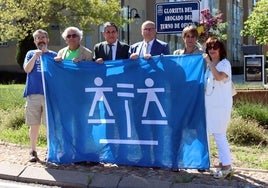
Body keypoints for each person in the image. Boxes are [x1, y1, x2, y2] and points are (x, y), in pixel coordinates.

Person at [23, 29, 57, 162]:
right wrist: (35, 57)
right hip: (33, 94)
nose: (41, 40)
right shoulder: (30, 53)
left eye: (43, 37)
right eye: (38, 38)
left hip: (49, 95)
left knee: (49, 125)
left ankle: (50, 150)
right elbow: (27, 69)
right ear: (35, 41)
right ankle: (33, 150)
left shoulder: (53, 55)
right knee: (34, 124)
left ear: (47, 40)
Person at [203, 36, 234, 178]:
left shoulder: (224, 63)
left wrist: (209, 63)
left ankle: (227, 165)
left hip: (221, 106)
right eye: (209, 47)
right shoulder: (209, 68)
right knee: (216, 133)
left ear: (221, 49)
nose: (212, 50)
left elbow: (219, 77)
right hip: (211, 106)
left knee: (220, 134)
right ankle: (223, 162)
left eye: (215, 47)